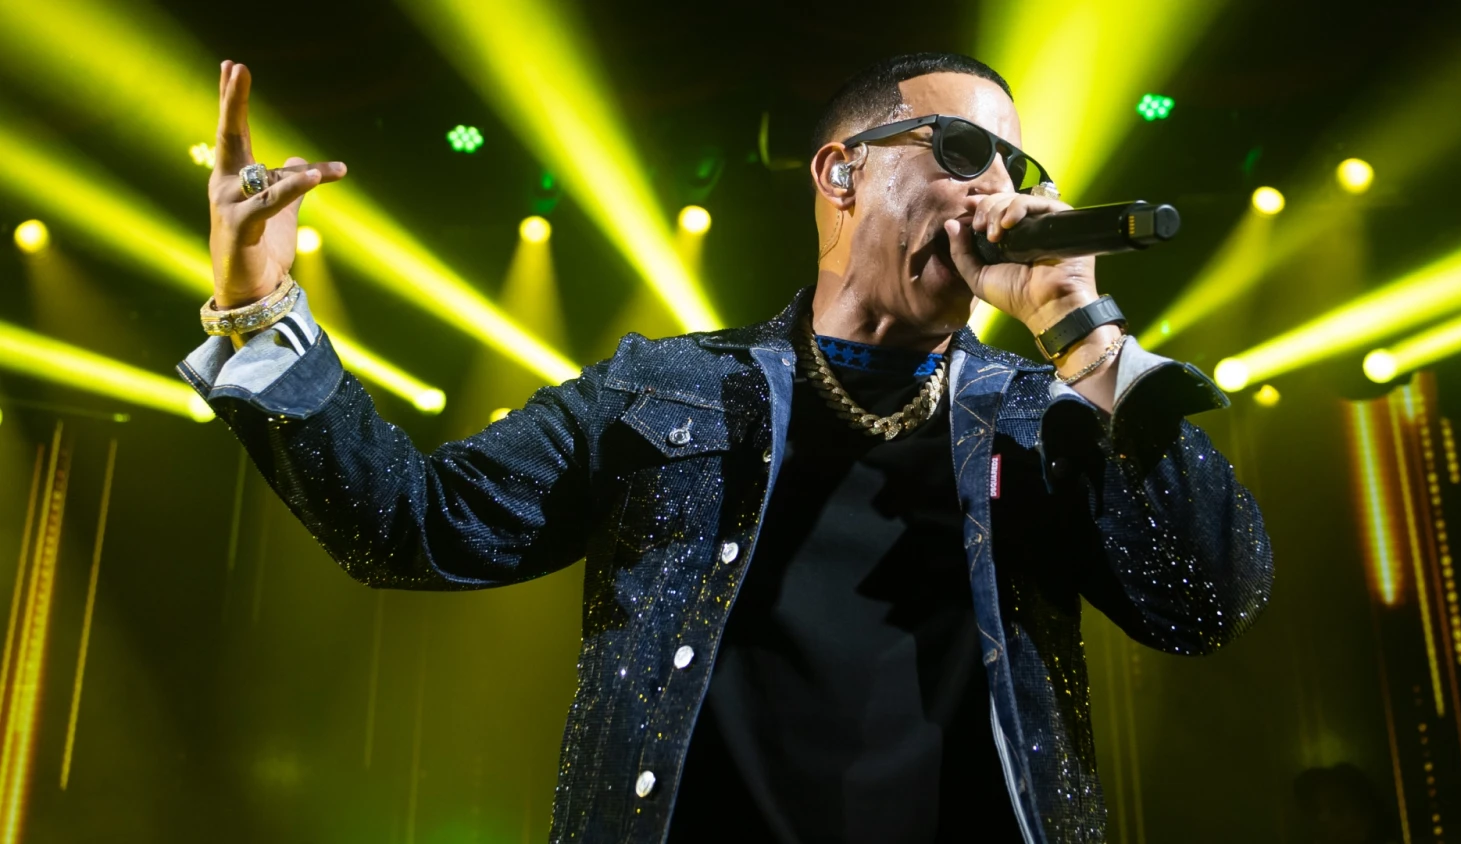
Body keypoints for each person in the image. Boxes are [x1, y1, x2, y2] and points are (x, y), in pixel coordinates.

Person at [181, 52, 1273, 844]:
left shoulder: (1047, 415)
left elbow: (1208, 600)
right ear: (841, 173)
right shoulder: (661, 387)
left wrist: (1086, 336)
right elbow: (414, 526)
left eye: (1018, 165)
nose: (1002, 190)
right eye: (964, 150)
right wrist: (259, 306)